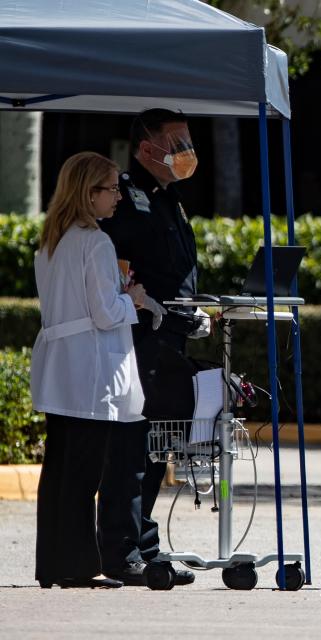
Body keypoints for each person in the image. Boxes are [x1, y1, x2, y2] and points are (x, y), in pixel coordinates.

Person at [96, 108, 203, 587]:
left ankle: (146, 546)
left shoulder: (169, 198)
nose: (186, 153)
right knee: (132, 449)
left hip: (170, 337)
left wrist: (193, 309)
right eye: (176, 143)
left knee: (160, 447)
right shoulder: (127, 196)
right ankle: (121, 550)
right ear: (146, 149)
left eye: (187, 142)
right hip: (140, 336)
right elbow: (120, 268)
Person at [31, 152, 147, 589]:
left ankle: (54, 564)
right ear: (88, 193)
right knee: (82, 474)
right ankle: (78, 566)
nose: (118, 197)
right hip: (89, 370)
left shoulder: (52, 239)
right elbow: (103, 313)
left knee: (59, 469)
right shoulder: (95, 241)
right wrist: (130, 298)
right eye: (111, 189)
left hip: (59, 365)